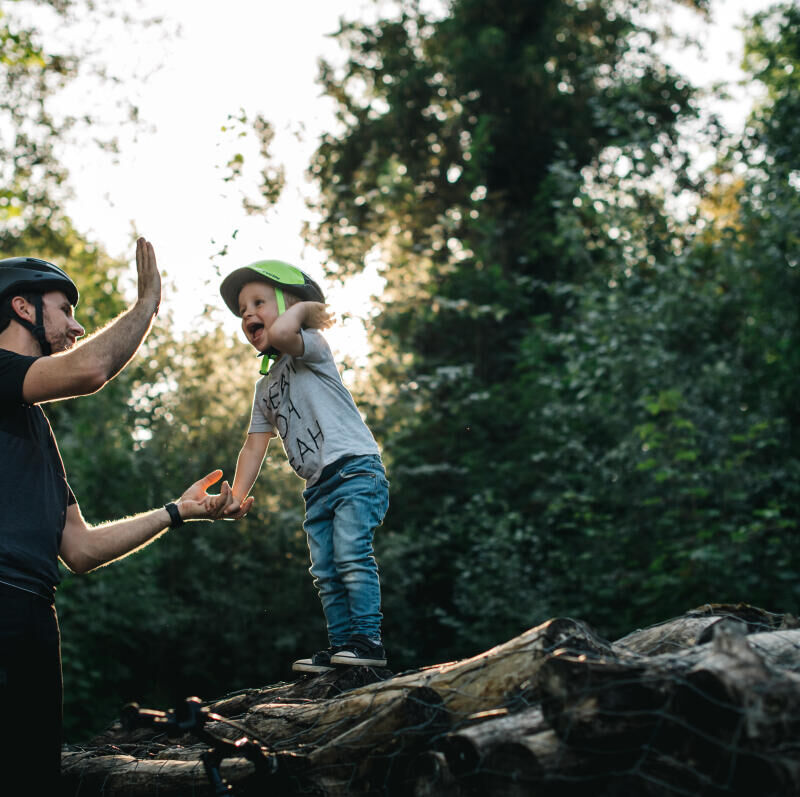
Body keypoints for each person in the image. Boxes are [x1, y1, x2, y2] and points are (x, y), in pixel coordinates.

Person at [0, 238, 232, 791]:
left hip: (34, 615)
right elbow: (91, 370)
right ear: (22, 306)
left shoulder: (35, 425)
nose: (77, 328)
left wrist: (176, 512)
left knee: (31, 776)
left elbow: (78, 548)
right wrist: (145, 305)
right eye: (66, 310)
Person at [218, 259, 390, 674]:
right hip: (318, 487)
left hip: (354, 471)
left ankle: (368, 641)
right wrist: (237, 495)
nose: (247, 314)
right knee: (326, 572)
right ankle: (343, 648)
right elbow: (253, 446)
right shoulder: (265, 387)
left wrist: (307, 309)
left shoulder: (312, 347)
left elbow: (284, 332)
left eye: (259, 302)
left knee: (351, 554)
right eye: (243, 310)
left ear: (295, 309)